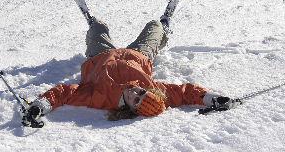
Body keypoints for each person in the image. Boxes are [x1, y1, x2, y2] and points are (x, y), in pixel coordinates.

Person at [23, 17, 238, 126]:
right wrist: (212, 98)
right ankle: (163, 27)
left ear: (128, 109)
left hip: (100, 55)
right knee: (154, 26)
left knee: (97, 28)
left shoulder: (100, 98)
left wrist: (41, 105)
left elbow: (64, 93)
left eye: (136, 99)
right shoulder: (155, 90)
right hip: (138, 54)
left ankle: (93, 25)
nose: (136, 92)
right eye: (142, 93)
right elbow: (185, 92)